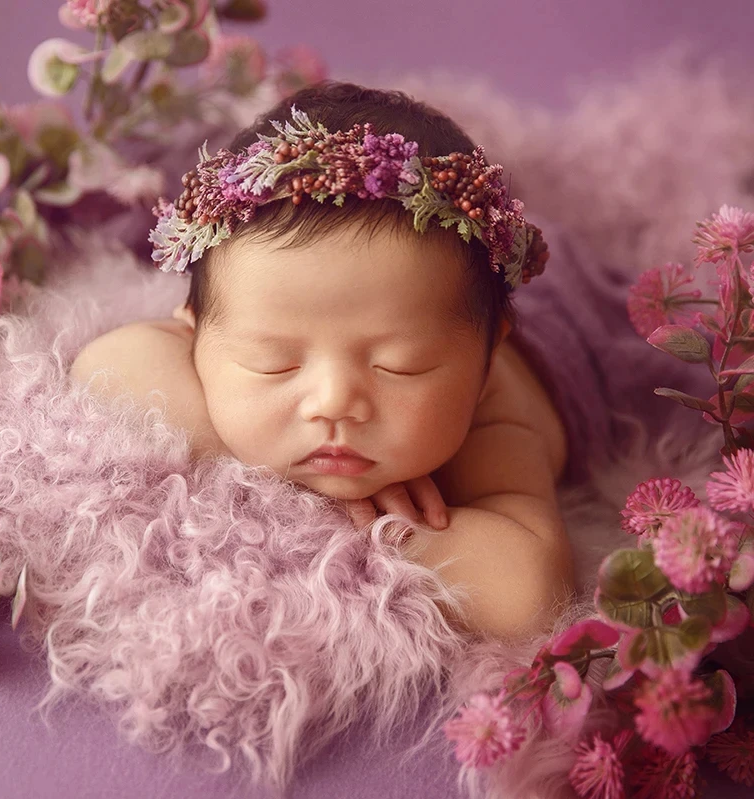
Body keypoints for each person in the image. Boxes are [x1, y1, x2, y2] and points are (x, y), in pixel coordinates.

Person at [69, 80, 577, 641]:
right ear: (191, 340)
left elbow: (528, 595)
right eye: (274, 363)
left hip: (568, 326)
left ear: (485, 366)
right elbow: (108, 364)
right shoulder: (249, 312)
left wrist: (384, 528)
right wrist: (308, 495)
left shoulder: (497, 422)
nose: (335, 401)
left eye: (399, 366)